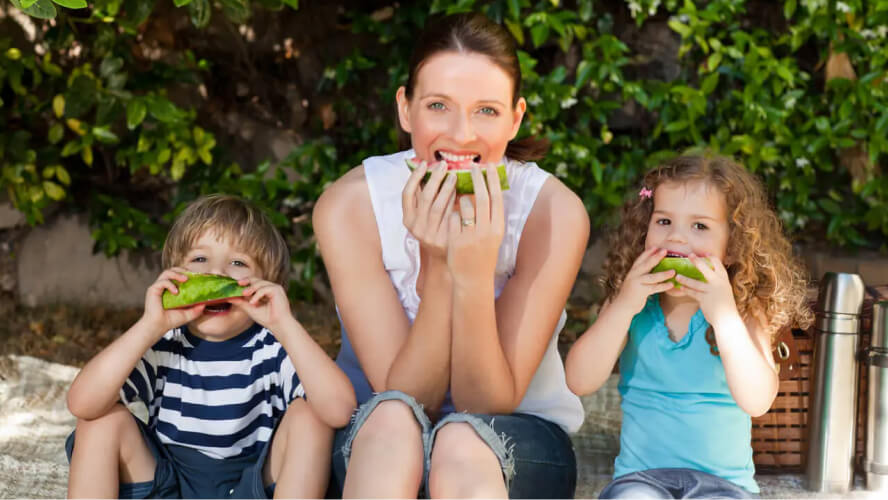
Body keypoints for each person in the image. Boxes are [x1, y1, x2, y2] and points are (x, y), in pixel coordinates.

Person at [312, 12, 588, 499]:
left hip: (515, 439)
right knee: (393, 417)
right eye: (438, 105)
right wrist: (438, 266)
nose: (462, 135)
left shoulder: (552, 212)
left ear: (516, 117)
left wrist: (475, 275)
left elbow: (487, 402)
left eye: (486, 111)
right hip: (379, 447)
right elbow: (407, 395)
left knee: (461, 437)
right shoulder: (349, 205)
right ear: (405, 108)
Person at [65, 194, 356, 499]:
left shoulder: (273, 348)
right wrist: (149, 326)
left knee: (310, 417)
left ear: (268, 285)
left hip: (247, 486)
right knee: (100, 422)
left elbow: (339, 411)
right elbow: (82, 404)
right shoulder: (163, 344)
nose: (216, 272)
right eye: (200, 259)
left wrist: (285, 324)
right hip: (169, 485)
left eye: (238, 262)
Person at [565, 155, 814, 498]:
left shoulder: (744, 310)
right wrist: (623, 305)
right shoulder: (632, 302)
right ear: (645, 229)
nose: (677, 238)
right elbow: (578, 380)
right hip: (641, 480)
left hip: (723, 486)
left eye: (700, 226)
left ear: (732, 247)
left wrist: (723, 315)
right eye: (664, 221)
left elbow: (757, 401)